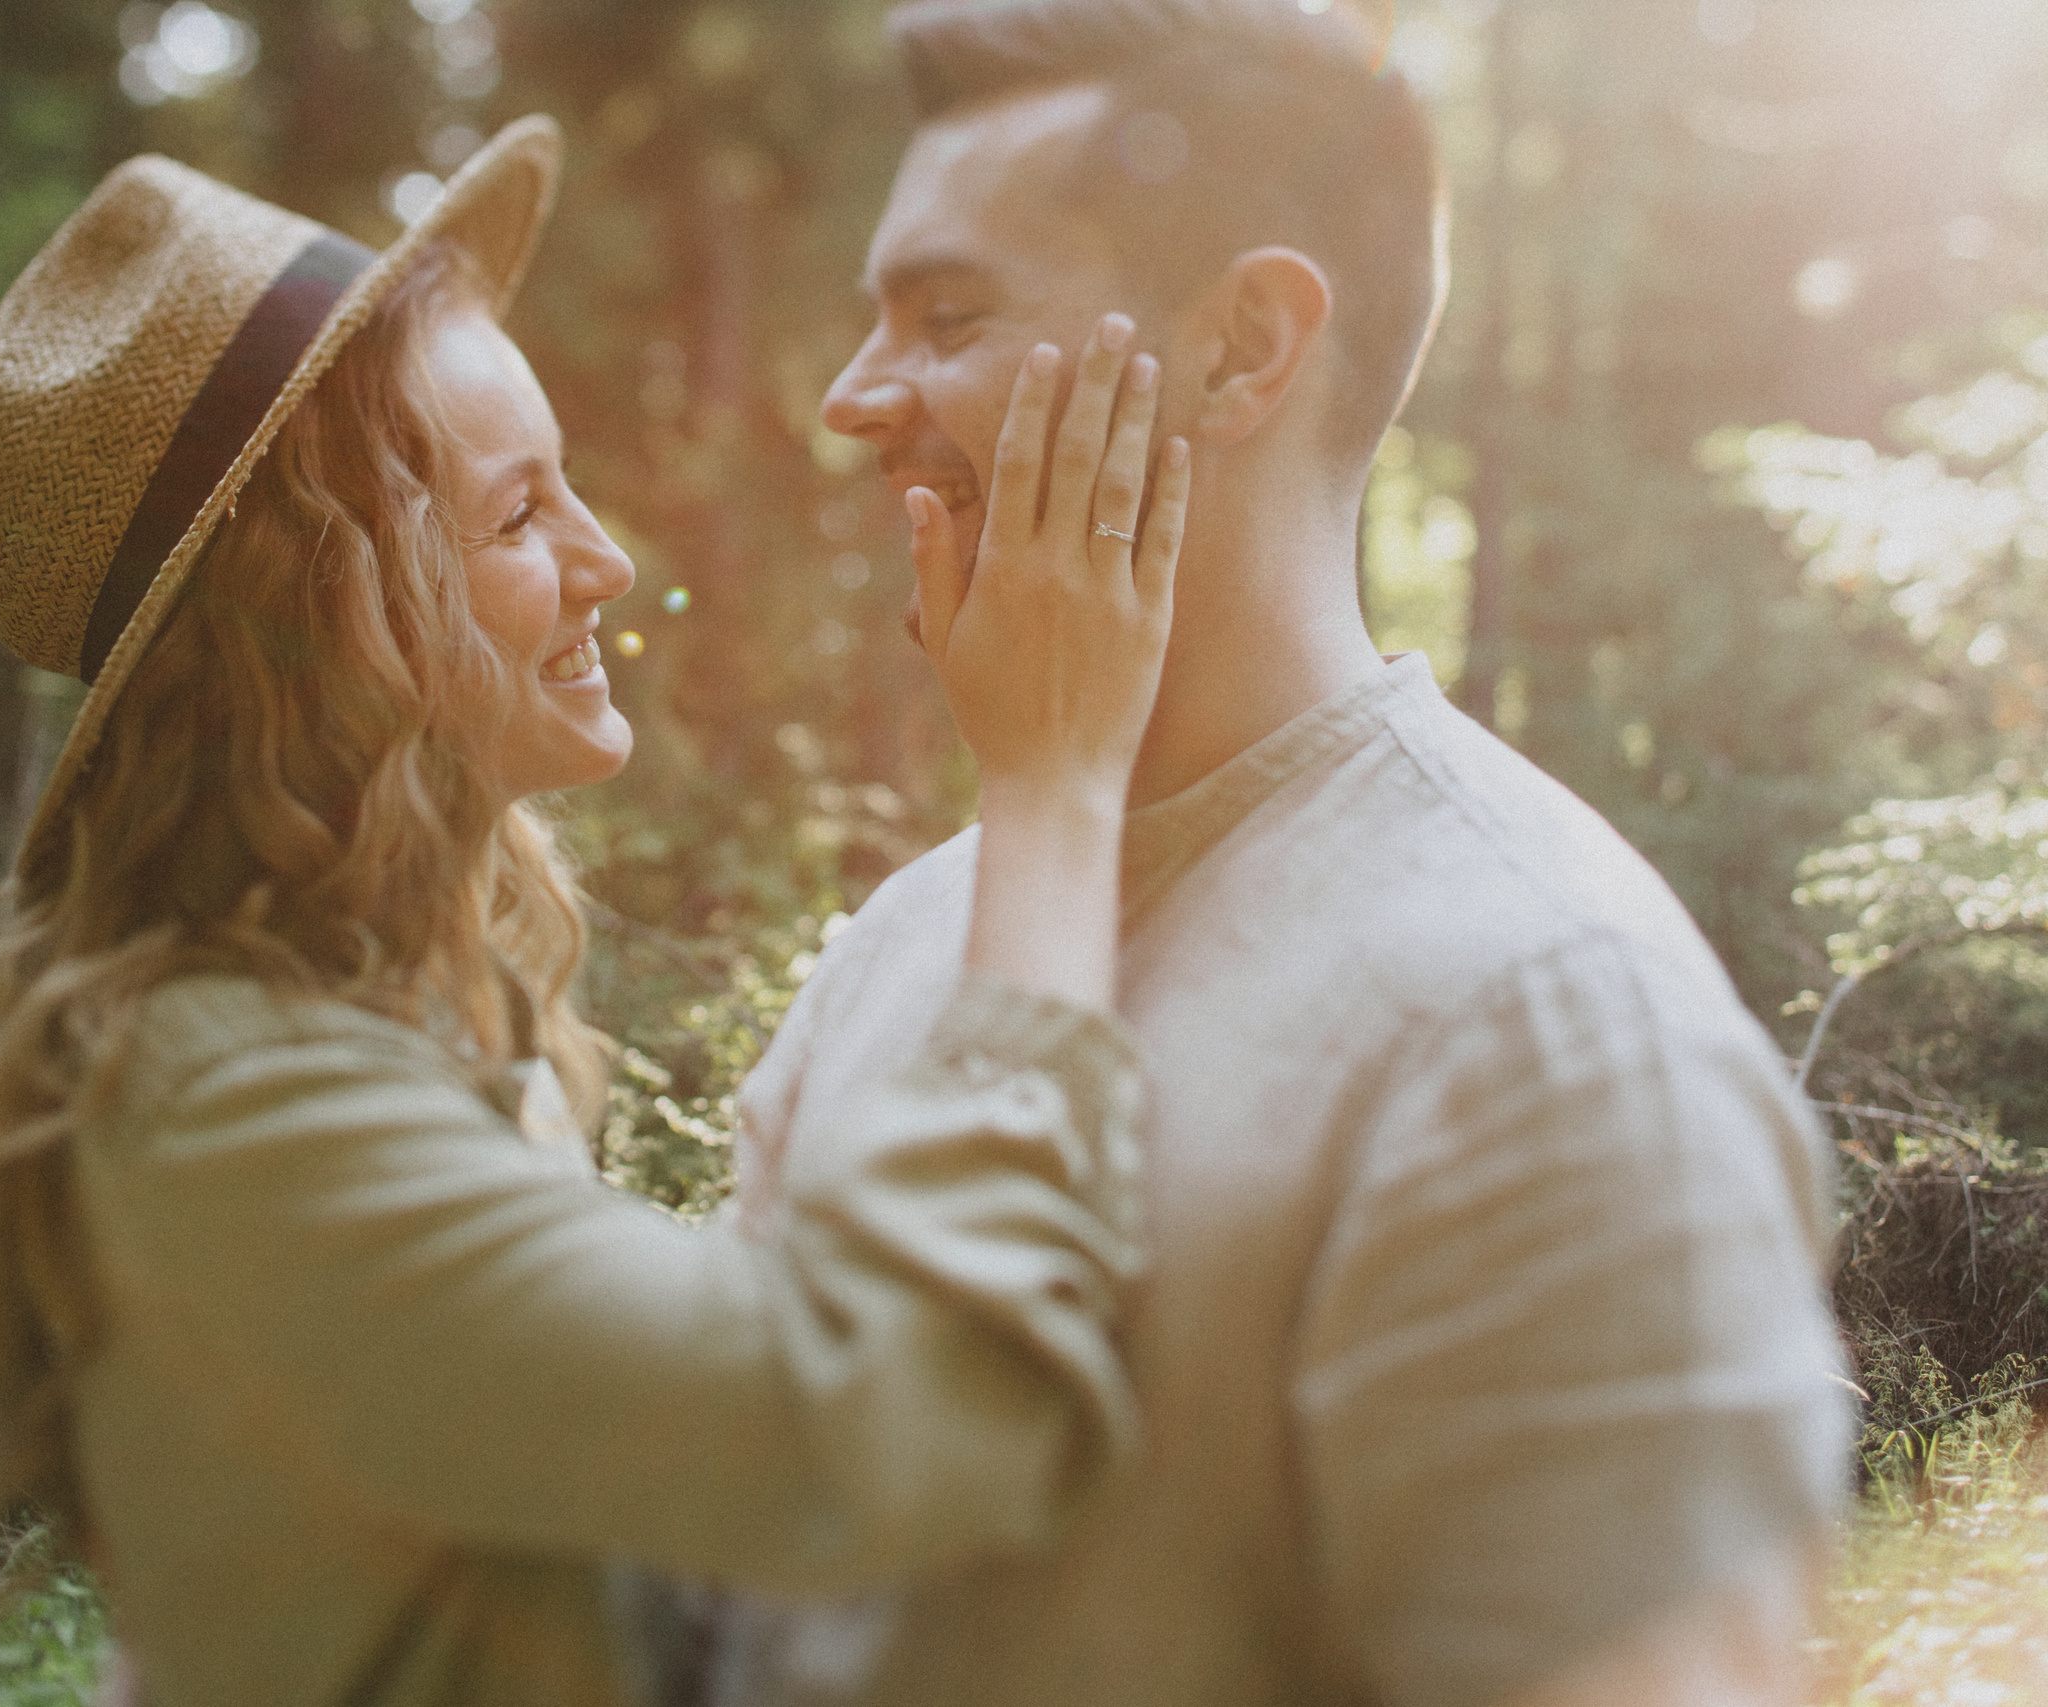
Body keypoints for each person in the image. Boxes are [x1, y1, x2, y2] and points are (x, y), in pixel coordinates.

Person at [0, 117, 1191, 1707]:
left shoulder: (370, 1006)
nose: (605, 561)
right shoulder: (229, 1108)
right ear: (327, 619)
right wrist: (1059, 777)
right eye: (518, 517)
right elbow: (894, 1425)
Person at [714, 4, 1855, 1706]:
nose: (853, 398)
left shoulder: (1546, 1027)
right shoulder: (894, 946)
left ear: (1243, 348)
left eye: (949, 316)